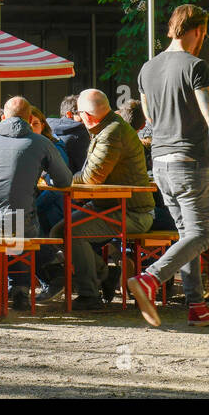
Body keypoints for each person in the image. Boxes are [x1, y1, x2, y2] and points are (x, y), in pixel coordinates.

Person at [129, 4, 209, 328]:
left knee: (186, 234)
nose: (202, 41)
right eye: (203, 35)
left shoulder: (147, 69)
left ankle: (197, 306)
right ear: (197, 31)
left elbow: (150, 117)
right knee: (200, 234)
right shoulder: (196, 66)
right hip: (189, 162)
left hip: (161, 164)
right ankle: (150, 280)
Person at [51, 89, 154, 310]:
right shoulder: (108, 127)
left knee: (72, 232)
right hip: (111, 206)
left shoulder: (111, 132)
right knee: (61, 231)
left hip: (133, 212)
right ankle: (104, 274)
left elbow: (91, 177)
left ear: (86, 116)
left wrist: (61, 178)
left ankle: (90, 295)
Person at [0, 96, 73, 309]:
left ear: (3, 117)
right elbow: (65, 181)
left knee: (12, 222)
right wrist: (46, 178)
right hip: (19, 222)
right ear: (29, 117)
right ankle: (26, 287)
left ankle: (19, 287)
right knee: (23, 223)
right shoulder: (41, 142)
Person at [49, 95, 89, 173]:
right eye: (82, 113)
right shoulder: (80, 132)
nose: (86, 117)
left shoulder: (47, 129)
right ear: (69, 114)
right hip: (72, 182)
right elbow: (85, 168)